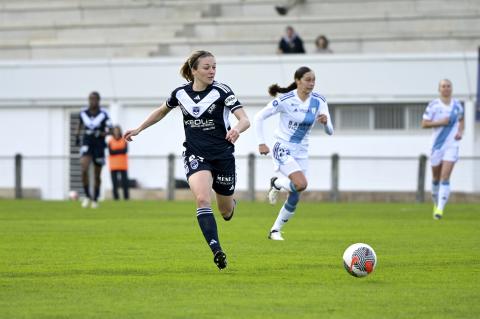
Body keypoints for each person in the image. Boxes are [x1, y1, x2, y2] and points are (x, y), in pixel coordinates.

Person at [124, 50, 250, 269]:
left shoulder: (222, 91)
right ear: (194, 71)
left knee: (225, 212)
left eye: (214, 67)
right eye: (206, 67)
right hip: (195, 154)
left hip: (223, 156)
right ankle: (216, 250)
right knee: (202, 199)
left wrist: (237, 130)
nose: (212, 71)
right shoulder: (180, 94)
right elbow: (161, 111)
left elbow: (244, 119)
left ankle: (230, 205)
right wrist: (139, 128)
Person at [254, 66, 333, 240]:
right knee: (301, 183)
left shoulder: (319, 101)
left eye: (313, 80)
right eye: (307, 79)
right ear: (298, 81)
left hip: (302, 152)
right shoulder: (286, 99)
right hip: (282, 147)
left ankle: (275, 230)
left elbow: (330, 131)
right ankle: (277, 184)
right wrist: (261, 143)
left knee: (296, 195)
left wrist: (326, 122)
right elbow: (259, 117)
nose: (311, 83)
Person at [421, 79, 464, 220]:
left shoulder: (457, 105)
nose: (446, 88)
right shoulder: (433, 105)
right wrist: (441, 122)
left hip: (452, 145)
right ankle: (436, 203)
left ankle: (439, 210)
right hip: (437, 145)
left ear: (452, 88)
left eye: (448, 86)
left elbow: (461, 119)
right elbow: (424, 124)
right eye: (443, 86)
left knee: (445, 177)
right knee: (435, 178)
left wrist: (460, 132)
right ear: (439, 89)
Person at [75, 91, 112, 209]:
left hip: (99, 144)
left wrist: (102, 133)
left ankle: (95, 198)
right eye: (91, 99)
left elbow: (110, 130)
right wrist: (76, 136)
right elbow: (79, 125)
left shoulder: (104, 114)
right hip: (87, 143)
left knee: (97, 174)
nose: (93, 101)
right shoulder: (83, 113)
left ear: (99, 100)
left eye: (95, 99)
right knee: (84, 168)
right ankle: (87, 196)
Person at [108, 125, 129, 200]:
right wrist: (120, 150)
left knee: (125, 183)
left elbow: (125, 151)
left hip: (123, 164)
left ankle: (126, 198)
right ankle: (116, 198)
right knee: (115, 183)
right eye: (115, 130)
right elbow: (111, 152)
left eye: (117, 130)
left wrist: (116, 151)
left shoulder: (124, 140)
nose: (116, 132)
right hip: (113, 165)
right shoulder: (110, 141)